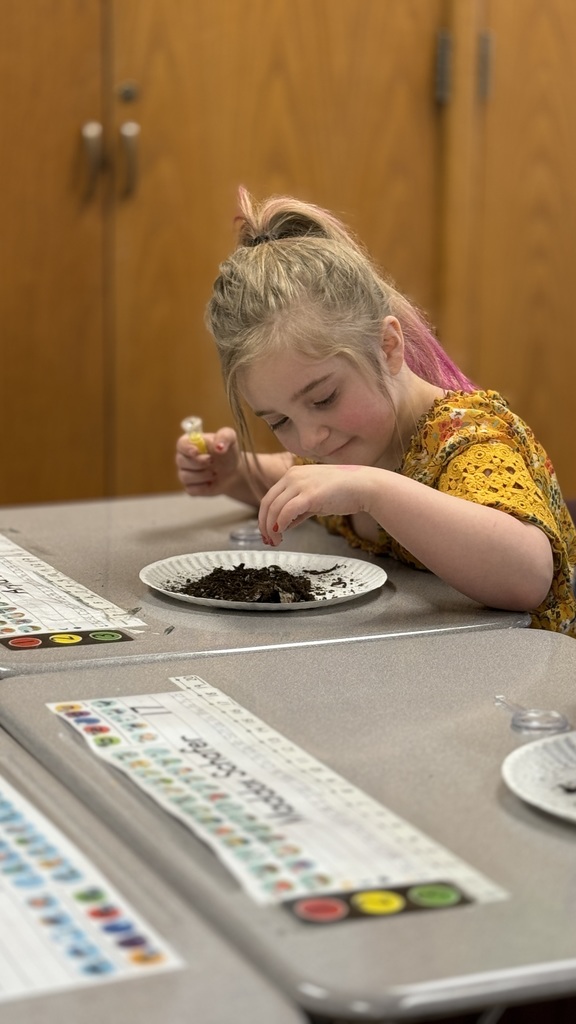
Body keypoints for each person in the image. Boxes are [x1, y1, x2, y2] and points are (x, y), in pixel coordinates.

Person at [176, 188, 576, 636]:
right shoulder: (351, 445)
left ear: (388, 347)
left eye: (324, 399)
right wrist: (234, 473)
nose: (310, 440)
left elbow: (528, 577)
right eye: (279, 421)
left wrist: (374, 490)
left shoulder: (466, 439)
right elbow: (299, 480)